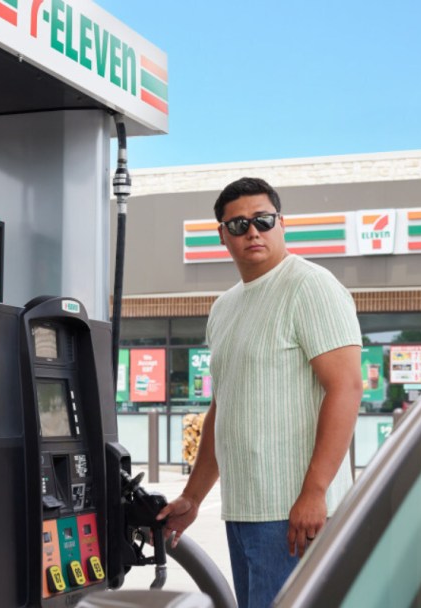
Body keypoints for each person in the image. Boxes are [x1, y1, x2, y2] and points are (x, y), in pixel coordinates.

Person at [157, 177, 362, 607]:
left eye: (263, 220)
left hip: (295, 515)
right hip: (244, 512)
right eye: (239, 224)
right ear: (223, 235)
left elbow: (345, 388)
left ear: (281, 223)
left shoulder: (311, 286)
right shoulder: (225, 307)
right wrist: (193, 497)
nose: (253, 231)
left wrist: (315, 492)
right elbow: (225, 406)